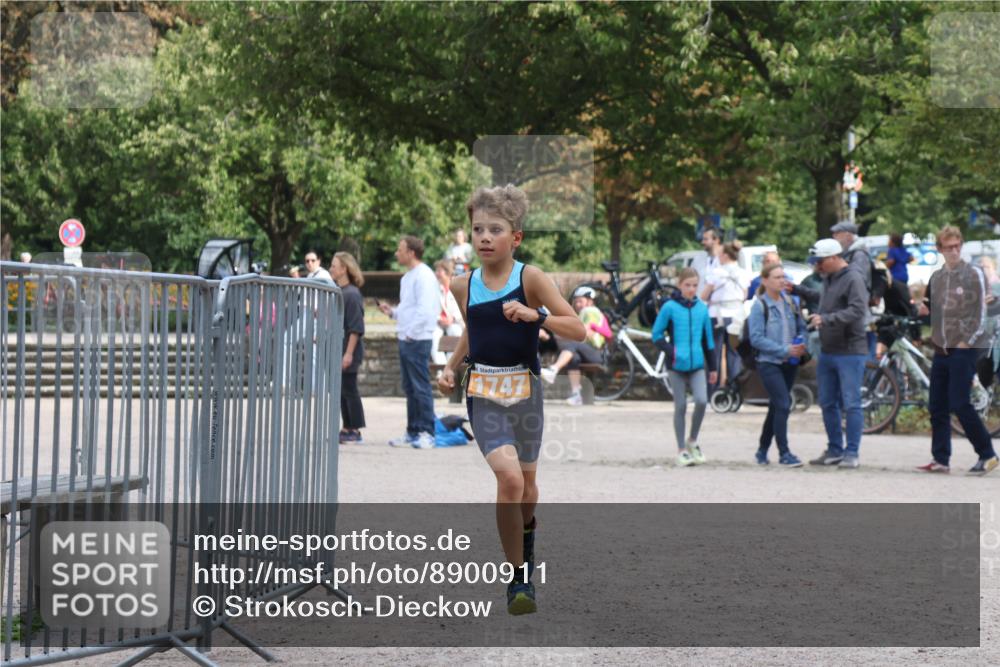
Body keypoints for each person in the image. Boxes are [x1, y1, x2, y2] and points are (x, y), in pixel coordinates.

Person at [438, 185, 585, 615]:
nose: (484, 237)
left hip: (525, 393)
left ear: (515, 237)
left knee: (528, 489)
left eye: (495, 230)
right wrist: (453, 366)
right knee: (510, 481)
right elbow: (474, 332)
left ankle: (526, 543)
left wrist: (534, 315)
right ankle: (518, 580)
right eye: (477, 229)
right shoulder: (463, 285)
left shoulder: (531, 278)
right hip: (483, 390)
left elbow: (577, 330)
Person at [916, 226, 998, 475]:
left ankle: (987, 454)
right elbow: (931, 308)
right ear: (940, 249)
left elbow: (980, 313)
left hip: (963, 347)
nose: (953, 251)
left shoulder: (973, 274)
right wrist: (924, 313)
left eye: (957, 246)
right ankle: (941, 459)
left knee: (960, 403)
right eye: (948, 247)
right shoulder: (938, 277)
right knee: (937, 405)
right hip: (942, 347)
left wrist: (967, 340)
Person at [804, 239, 869, 469]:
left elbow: (858, 309)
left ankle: (852, 452)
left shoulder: (853, 278)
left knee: (851, 403)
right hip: (828, 350)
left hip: (850, 350)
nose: (818, 266)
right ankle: (834, 449)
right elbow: (825, 305)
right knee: (827, 402)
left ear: (833, 257)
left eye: (820, 261)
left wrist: (828, 319)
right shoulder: (828, 279)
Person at [652, 268, 718, 466]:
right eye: (687, 285)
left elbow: (709, 341)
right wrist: (673, 352)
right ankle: (681, 450)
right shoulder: (669, 308)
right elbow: (656, 335)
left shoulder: (702, 309)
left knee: (701, 401)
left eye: (695, 285)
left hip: (697, 364)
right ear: (680, 285)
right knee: (680, 406)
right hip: (675, 366)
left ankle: (692, 441)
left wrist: (713, 368)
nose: (691, 289)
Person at [379, 236, 440, 449]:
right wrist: (393, 313)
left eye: (400, 249)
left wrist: (410, 334)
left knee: (420, 386)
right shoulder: (408, 278)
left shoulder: (424, 276)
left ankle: (427, 432)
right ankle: (413, 430)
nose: (397, 253)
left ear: (411, 252)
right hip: (407, 337)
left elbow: (426, 310)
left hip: (417, 339)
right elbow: (410, 309)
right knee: (410, 387)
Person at [748, 263, 808, 467]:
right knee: (783, 404)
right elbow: (756, 338)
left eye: (783, 277)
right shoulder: (759, 306)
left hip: (790, 363)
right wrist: (784, 350)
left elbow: (802, 327)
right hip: (769, 363)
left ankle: (762, 450)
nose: (782, 280)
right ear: (765, 281)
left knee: (776, 407)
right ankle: (784, 453)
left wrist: (802, 343)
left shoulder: (791, 302)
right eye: (777, 277)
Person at [539, 286, 613, 406]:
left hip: (596, 353)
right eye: (576, 301)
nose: (577, 304)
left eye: (580, 301)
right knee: (573, 357)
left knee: (573, 344)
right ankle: (576, 395)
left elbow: (584, 334)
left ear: (590, 301)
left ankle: (553, 370)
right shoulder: (583, 314)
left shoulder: (590, 311)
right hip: (588, 352)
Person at [701, 240, 748, 391]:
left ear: (726, 255)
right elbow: (745, 295)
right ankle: (734, 391)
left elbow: (704, 295)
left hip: (716, 316)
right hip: (736, 318)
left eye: (720, 254)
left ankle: (712, 391)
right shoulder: (742, 272)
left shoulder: (717, 273)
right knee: (734, 354)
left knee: (713, 353)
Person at [330, 252, 367, 444]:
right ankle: (347, 426)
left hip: (349, 351)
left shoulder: (351, 294)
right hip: (342, 350)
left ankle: (354, 428)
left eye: (334, 266)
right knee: (343, 390)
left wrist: (348, 354)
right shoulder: (341, 292)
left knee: (350, 389)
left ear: (344, 268)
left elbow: (356, 328)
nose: (331, 269)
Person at [831, 221, 876, 357]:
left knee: (865, 355)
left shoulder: (859, 255)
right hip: (856, 310)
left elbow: (857, 282)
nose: (834, 238)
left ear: (849, 236)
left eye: (837, 234)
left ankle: (869, 377)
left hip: (859, 313)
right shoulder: (851, 254)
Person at [431, 259, 465, 364]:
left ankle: (452, 368)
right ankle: (441, 370)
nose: (436, 274)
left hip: (454, 321)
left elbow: (463, 307)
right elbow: (430, 308)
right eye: (436, 271)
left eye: (439, 271)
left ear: (448, 272)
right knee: (433, 336)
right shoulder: (433, 288)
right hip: (438, 322)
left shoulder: (457, 286)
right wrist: (439, 319)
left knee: (456, 333)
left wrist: (452, 318)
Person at [691, 227, 723, 293]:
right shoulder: (698, 259)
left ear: (716, 240)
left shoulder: (727, 259)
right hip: (701, 301)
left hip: (720, 301)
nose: (702, 242)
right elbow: (690, 279)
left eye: (706, 239)